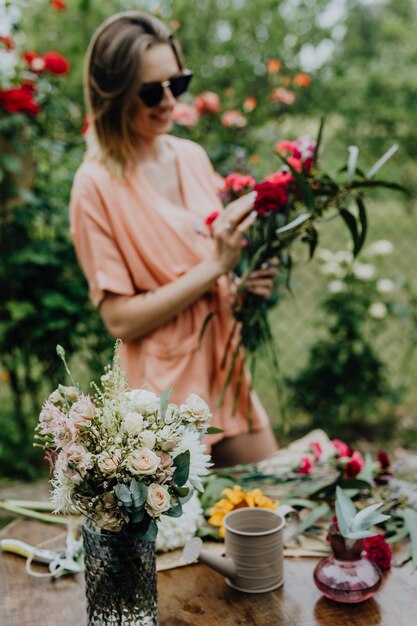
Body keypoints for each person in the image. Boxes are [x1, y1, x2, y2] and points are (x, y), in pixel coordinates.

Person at [69, 10, 278, 466]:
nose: (168, 101)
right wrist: (215, 269)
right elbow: (120, 320)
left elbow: (209, 280)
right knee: (180, 535)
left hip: (225, 370)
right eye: (150, 91)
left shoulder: (192, 157)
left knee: (272, 508)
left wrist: (239, 290)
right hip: (159, 401)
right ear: (114, 95)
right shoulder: (95, 186)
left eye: (177, 84)